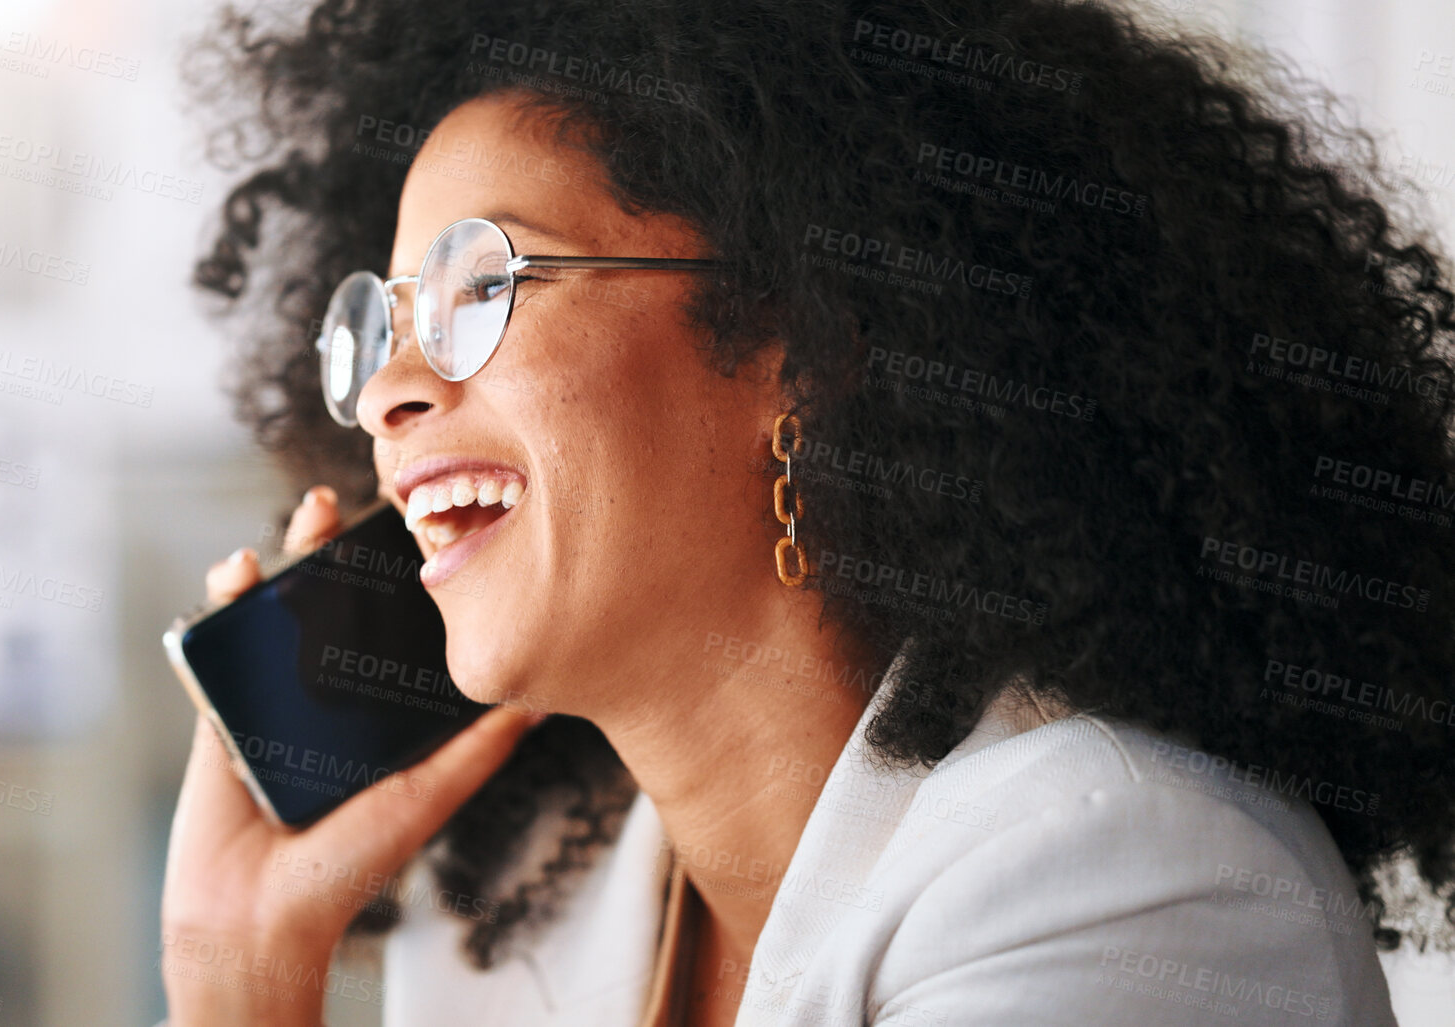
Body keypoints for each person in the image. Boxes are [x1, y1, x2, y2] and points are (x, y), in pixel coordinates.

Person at [162, 0, 1455, 1023]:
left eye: (477, 287)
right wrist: (235, 976)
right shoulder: (509, 909)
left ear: (799, 338)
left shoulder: (1122, 882)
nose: (386, 391)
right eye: (379, 322)